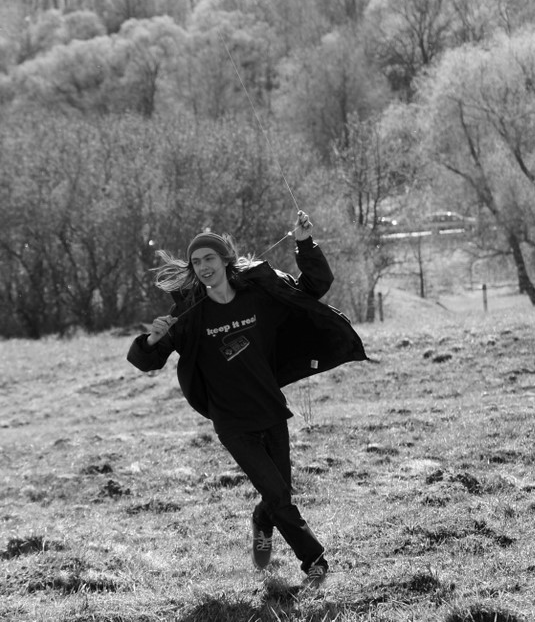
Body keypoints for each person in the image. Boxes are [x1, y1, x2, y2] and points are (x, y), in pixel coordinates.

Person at [127, 210, 366, 589]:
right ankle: (315, 562)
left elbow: (315, 286)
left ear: (225, 260)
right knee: (280, 496)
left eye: (209, 258)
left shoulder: (260, 295)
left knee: (277, 494)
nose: (203, 267)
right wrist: (151, 340)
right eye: (196, 262)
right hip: (232, 422)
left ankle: (261, 520)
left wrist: (305, 244)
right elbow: (146, 361)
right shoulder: (189, 314)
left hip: (270, 409)